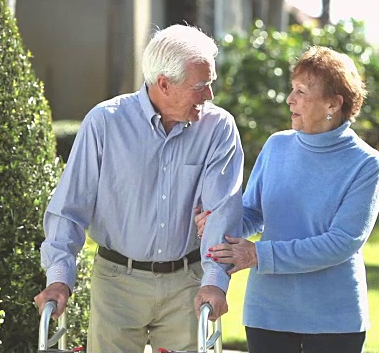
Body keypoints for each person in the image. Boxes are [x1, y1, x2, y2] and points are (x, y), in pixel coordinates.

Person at [33, 24, 244, 352]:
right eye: (201, 86)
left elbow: (221, 213)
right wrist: (59, 277)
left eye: (211, 84)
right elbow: (69, 207)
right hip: (117, 283)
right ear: (164, 83)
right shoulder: (105, 122)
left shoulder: (218, 128)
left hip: (186, 283)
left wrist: (215, 282)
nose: (210, 96)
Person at [195, 46, 379, 353]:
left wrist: (260, 256)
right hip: (268, 313)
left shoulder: (365, 163)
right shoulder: (277, 146)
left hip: (333, 319)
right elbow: (252, 212)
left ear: (333, 104)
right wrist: (218, 220)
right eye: (291, 89)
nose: (289, 99)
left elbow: (342, 241)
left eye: (301, 91)